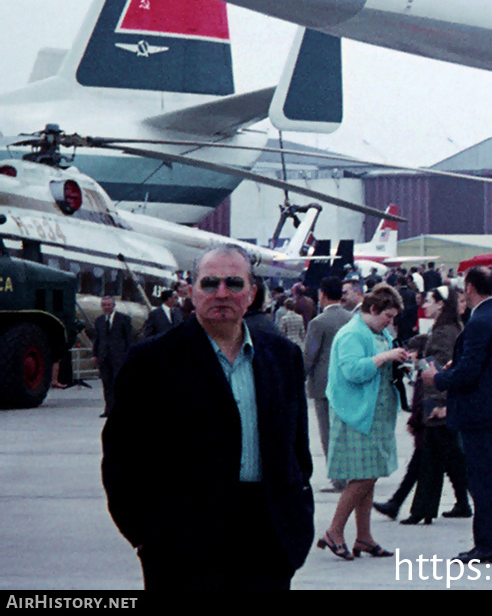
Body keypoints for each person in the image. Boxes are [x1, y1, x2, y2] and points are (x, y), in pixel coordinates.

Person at [102, 245, 315, 589]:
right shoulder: (151, 361)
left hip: (268, 540)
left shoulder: (283, 357)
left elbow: (297, 452)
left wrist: (297, 518)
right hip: (182, 548)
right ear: (191, 290)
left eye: (233, 283)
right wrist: (146, 538)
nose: (221, 293)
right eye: (210, 283)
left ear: (252, 294)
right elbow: (121, 460)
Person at [423, 265, 492, 563]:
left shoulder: (480, 320)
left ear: (469, 287)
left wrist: (437, 379)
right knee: (491, 476)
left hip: (482, 411)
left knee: (483, 479)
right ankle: (488, 541)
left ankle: (488, 544)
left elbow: (469, 373)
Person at [319, 284, 409, 560]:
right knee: (363, 477)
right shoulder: (351, 334)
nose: (391, 322)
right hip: (355, 415)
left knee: (368, 477)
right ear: (373, 309)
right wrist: (385, 357)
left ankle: (364, 537)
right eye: (388, 316)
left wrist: (399, 361)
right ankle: (334, 531)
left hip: (374, 416)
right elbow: (353, 371)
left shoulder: (375, 331)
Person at [401, 284, 471, 523]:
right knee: (445, 457)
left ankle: (422, 510)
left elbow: (439, 370)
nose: (425, 305)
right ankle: (438, 507)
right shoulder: (447, 328)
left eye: (430, 300)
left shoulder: (443, 332)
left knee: (431, 458)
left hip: (438, 402)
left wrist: (440, 405)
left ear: (441, 304)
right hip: (443, 401)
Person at [302, 275, 354, 492]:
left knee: (328, 433)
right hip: (349, 383)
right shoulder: (352, 318)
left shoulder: (318, 323)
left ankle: (338, 478)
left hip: (324, 386)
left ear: (321, 294)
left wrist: (300, 377)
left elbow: (309, 356)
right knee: (347, 431)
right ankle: (352, 474)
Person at [92, 295, 132, 417]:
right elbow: (97, 339)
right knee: (107, 384)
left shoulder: (123, 319)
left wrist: (129, 354)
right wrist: (95, 355)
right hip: (104, 356)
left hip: (119, 356)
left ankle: (121, 408)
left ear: (113, 305)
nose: (106, 307)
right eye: (104, 305)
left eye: (109, 305)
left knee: (119, 383)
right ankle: (109, 409)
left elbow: (128, 338)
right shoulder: (99, 320)